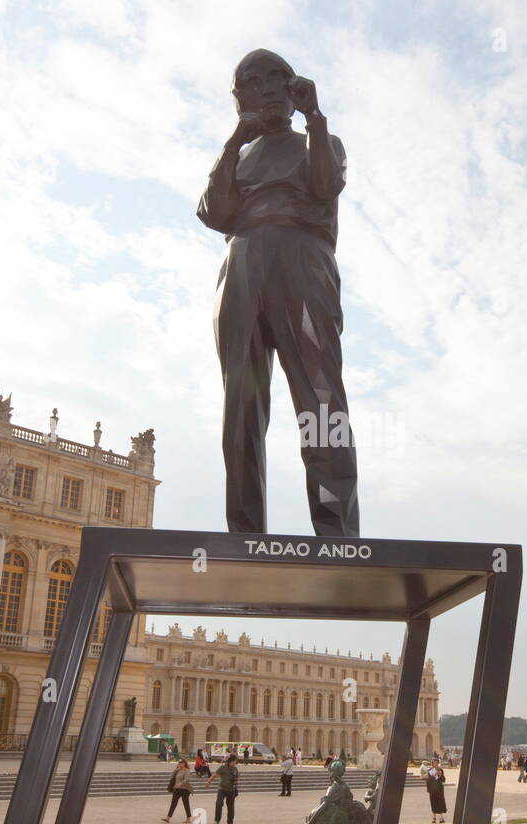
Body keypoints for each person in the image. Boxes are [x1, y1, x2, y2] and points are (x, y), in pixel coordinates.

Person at [196, 49, 359, 537]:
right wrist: (233, 143)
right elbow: (214, 213)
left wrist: (314, 117)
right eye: (251, 83)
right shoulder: (237, 155)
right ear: (237, 98)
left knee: (320, 395)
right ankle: (244, 530)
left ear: (293, 88)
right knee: (240, 403)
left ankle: (336, 531)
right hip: (241, 262)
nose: (265, 90)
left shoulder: (321, 142)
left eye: (276, 80)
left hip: (302, 259)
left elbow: (326, 184)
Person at [208, 753, 241, 824]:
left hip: (231, 790)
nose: (236, 763)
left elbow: (237, 778)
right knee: (218, 804)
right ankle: (216, 820)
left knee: (231, 806)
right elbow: (215, 774)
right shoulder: (223, 767)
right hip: (222, 789)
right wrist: (209, 781)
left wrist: (236, 783)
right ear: (231, 761)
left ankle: (230, 822)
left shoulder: (235, 769)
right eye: (235, 761)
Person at [161, 759, 193, 823]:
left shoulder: (187, 771)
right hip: (177, 789)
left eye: (181, 763)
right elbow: (171, 776)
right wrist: (175, 770)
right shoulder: (178, 770)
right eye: (179, 763)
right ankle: (168, 818)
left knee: (186, 804)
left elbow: (186, 780)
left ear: (184, 763)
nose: (180, 764)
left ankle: (188, 818)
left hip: (185, 790)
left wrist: (180, 784)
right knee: (173, 803)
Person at [426, 759, 447, 823]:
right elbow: (428, 780)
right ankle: (434, 817)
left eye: (436, 763)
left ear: (438, 763)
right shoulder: (429, 771)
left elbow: (443, 780)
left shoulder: (440, 770)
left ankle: (441, 818)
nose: (435, 764)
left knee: (440, 802)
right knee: (433, 803)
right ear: (432, 764)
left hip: (439, 789)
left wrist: (440, 775)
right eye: (434, 763)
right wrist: (434, 775)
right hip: (432, 790)